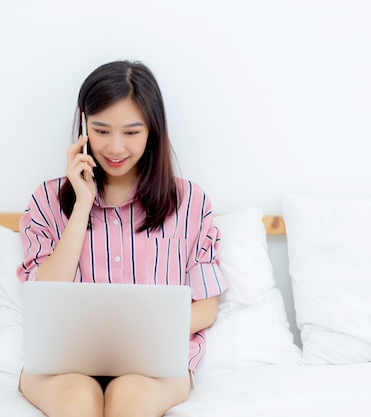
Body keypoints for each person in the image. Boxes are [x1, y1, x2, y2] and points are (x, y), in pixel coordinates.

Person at [16, 60, 227, 417]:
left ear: (152, 131)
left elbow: (206, 306)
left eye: (131, 132)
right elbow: (43, 295)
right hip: (62, 364)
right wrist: (82, 204)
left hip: (155, 364)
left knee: (132, 399)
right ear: (84, 126)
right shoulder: (47, 200)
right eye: (101, 130)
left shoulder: (190, 202)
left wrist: (138, 334)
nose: (115, 148)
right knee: (76, 400)